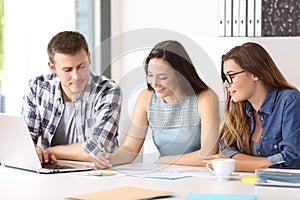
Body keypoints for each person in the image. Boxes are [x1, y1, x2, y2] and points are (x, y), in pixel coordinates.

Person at [94, 40, 220, 169]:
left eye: (162, 77)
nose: (154, 83)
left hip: (200, 176)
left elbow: (208, 155)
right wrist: (109, 159)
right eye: (150, 75)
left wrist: (165, 161)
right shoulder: (146, 97)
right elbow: (130, 149)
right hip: (164, 174)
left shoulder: (205, 98)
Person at [21, 31, 122, 164]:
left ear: (89, 58)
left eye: (82, 66)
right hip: (51, 172)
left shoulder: (107, 90)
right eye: (68, 70)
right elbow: (24, 144)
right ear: (52, 68)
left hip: (96, 174)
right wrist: (35, 150)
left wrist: (50, 151)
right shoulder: (38, 88)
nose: (76, 76)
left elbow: (98, 150)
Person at [205, 42, 300, 172]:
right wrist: (258, 163)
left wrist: (238, 164)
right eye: (225, 78)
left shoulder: (290, 101)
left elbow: (292, 159)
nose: (226, 85)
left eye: (231, 76)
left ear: (255, 74)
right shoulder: (240, 107)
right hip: (248, 184)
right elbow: (225, 148)